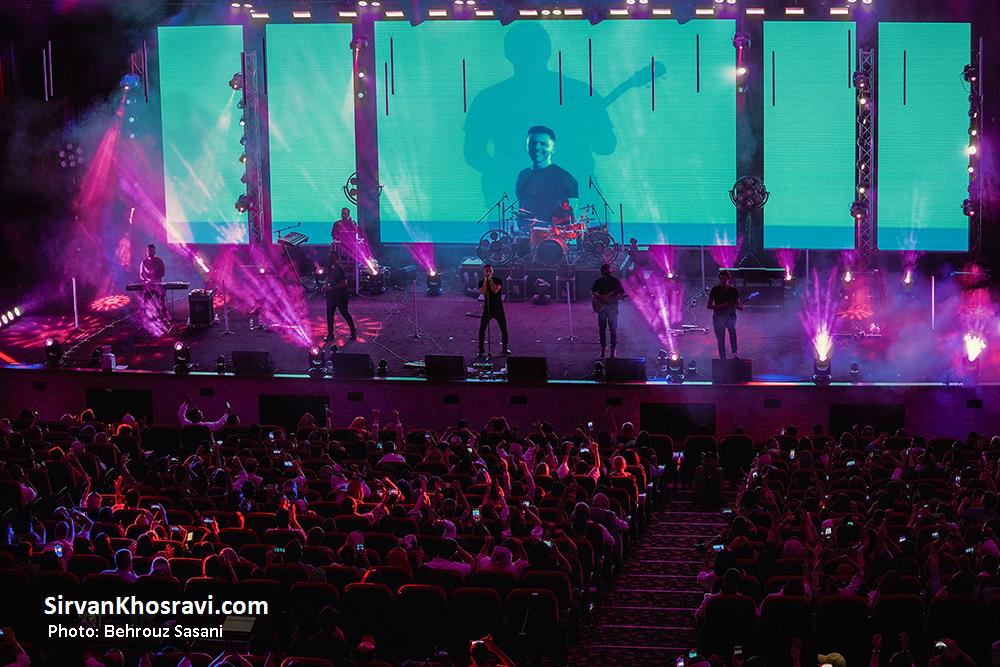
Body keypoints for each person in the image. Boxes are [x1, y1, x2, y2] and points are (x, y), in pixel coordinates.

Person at [514, 126, 579, 229]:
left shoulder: (565, 178)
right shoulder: (522, 175)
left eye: (543, 144)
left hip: (553, 235)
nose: (537, 147)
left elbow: (571, 215)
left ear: (553, 148)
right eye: (533, 143)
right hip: (525, 234)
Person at [591, 263, 625, 359]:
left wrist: (620, 296)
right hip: (602, 309)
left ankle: (613, 350)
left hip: (612, 309)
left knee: (613, 330)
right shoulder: (599, 281)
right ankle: (603, 348)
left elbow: (621, 293)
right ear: (602, 272)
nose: (608, 272)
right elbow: (593, 292)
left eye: (608, 270)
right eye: (605, 270)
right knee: (602, 329)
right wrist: (600, 297)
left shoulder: (615, 281)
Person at [707, 269, 743, 360]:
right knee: (720, 338)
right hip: (718, 317)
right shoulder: (715, 289)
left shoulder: (733, 290)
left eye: (724, 279)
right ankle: (722, 358)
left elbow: (739, 305)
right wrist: (720, 306)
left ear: (728, 279)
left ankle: (734, 353)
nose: (722, 281)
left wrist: (739, 306)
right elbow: (709, 306)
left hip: (730, 316)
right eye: (721, 279)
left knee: (732, 333)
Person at [478, 264, 510, 358]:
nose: (488, 272)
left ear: (492, 271)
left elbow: (495, 290)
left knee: (503, 329)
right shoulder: (481, 282)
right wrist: (485, 281)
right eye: (486, 271)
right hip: (487, 309)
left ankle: (505, 348)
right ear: (484, 272)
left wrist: (490, 281)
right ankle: (481, 349)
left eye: (490, 270)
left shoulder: (498, 280)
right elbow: (483, 292)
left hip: (498, 308)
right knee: (482, 329)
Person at [324, 251, 357, 345]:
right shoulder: (329, 267)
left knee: (344, 313)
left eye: (332, 257)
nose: (330, 258)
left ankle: (353, 331)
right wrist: (325, 285)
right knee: (329, 315)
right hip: (331, 296)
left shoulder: (340, 269)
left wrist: (332, 288)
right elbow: (328, 278)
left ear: (337, 258)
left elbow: (344, 283)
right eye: (329, 256)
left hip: (341, 295)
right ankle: (330, 334)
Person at [138, 244, 168, 330]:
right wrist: (146, 280)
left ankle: (165, 319)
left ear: (154, 251)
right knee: (145, 303)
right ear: (146, 252)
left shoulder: (159, 261)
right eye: (148, 250)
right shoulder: (143, 262)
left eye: (151, 250)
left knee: (161, 302)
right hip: (149, 286)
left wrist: (155, 278)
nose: (149, 252)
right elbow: (141, 274)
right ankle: (144, 320)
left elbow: (162, 272)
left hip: (157, 284)